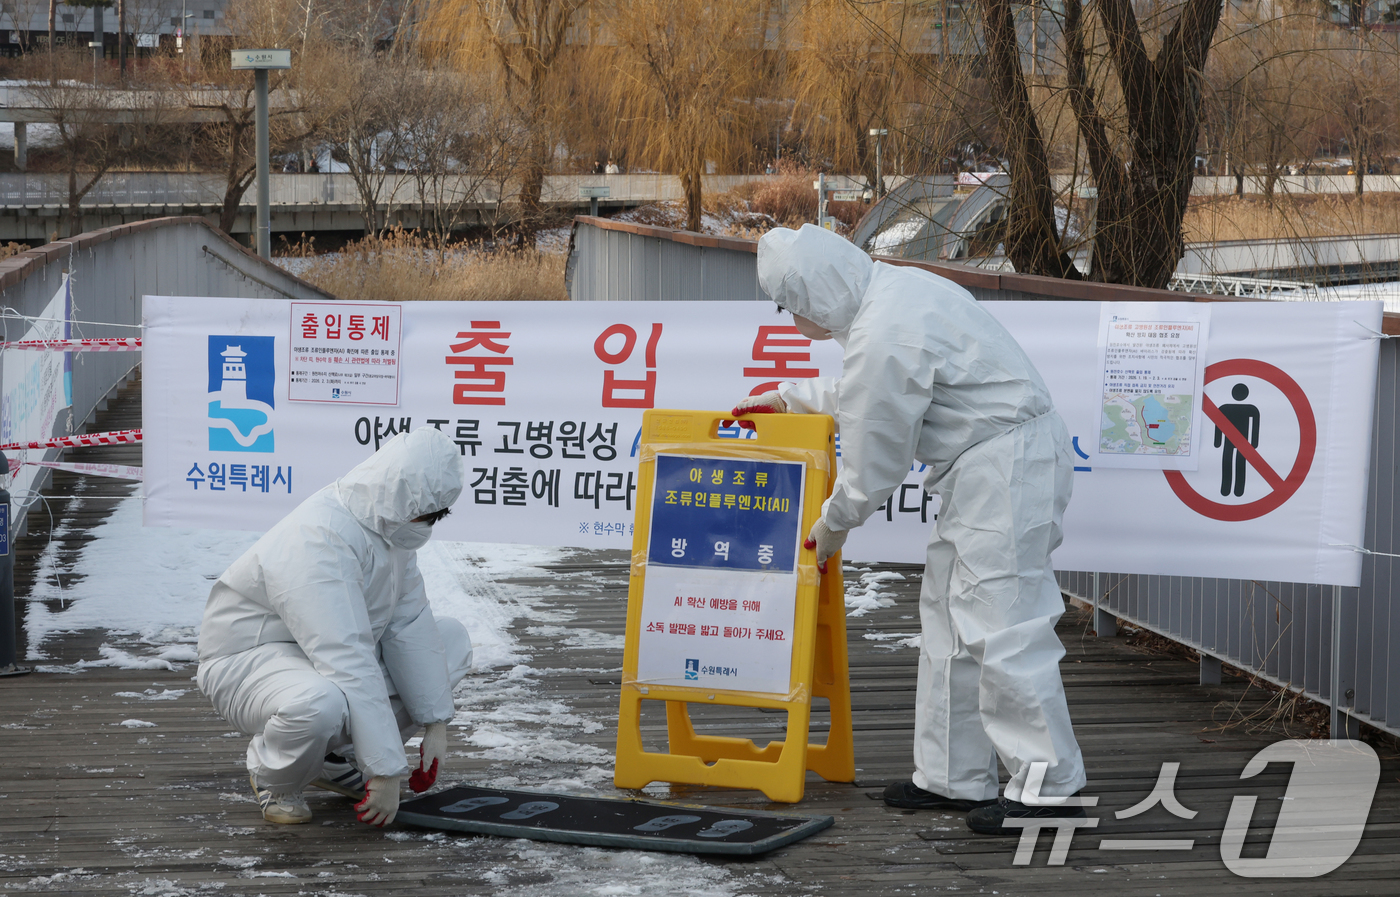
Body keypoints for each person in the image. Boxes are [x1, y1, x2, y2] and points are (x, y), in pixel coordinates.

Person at [732, 224, 1086, 835]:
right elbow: (883, 393)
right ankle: (952, 777)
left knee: (1004, 626)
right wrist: (792, 399)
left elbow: (873, 466)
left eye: (791, 307)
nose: (794, 322)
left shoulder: (883, 328)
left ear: (816, 293)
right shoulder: (895, 291)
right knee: (950, 620)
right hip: (989, 467)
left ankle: (1049, 789)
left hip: (1003, 469)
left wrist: (826, 530)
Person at [196, 427, 471, 827]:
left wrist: (436, 722)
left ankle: (331, 761)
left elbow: (409, 625)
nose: (427, 525)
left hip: (320, 657)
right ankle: (273, 776)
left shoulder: (390, 527)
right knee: (318, 702)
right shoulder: (319, 536)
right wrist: (386, 768)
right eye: (425, 514)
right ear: (400, 495)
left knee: (451, 639)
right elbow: (346, 655)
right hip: (248, 661)